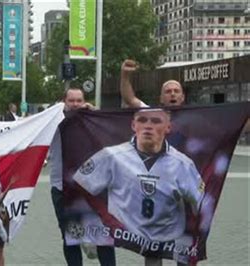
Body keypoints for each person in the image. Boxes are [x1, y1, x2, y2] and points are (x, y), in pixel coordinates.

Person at [73, 109, 205, 264]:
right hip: (129, 229)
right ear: (133, 125)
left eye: (156, 121)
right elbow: (82, 182)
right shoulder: (112, 155)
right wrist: (105, 215)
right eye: (142, 120)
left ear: (168, 127)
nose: (148, 126)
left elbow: (199, 204)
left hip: (169, 229)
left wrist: (193, 239)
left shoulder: (183, 164)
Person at [49, 86, 116, 266]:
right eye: (71, 101)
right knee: (71, 237)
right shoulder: (54, 121)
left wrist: (96, 115)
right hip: (63, 188)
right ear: (64, 102)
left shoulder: (93, 120)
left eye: (79, 100)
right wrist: (57, 111)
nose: (76, 105)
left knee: (103, 235)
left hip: (93, 188)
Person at [120, 59, 185, 108]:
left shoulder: (193, 117)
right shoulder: (153, 114)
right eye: (168, 91)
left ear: (182, 97)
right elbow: (130, 99)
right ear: (161, 98)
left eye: (176, 91)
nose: (172, 94)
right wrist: (125, 75)